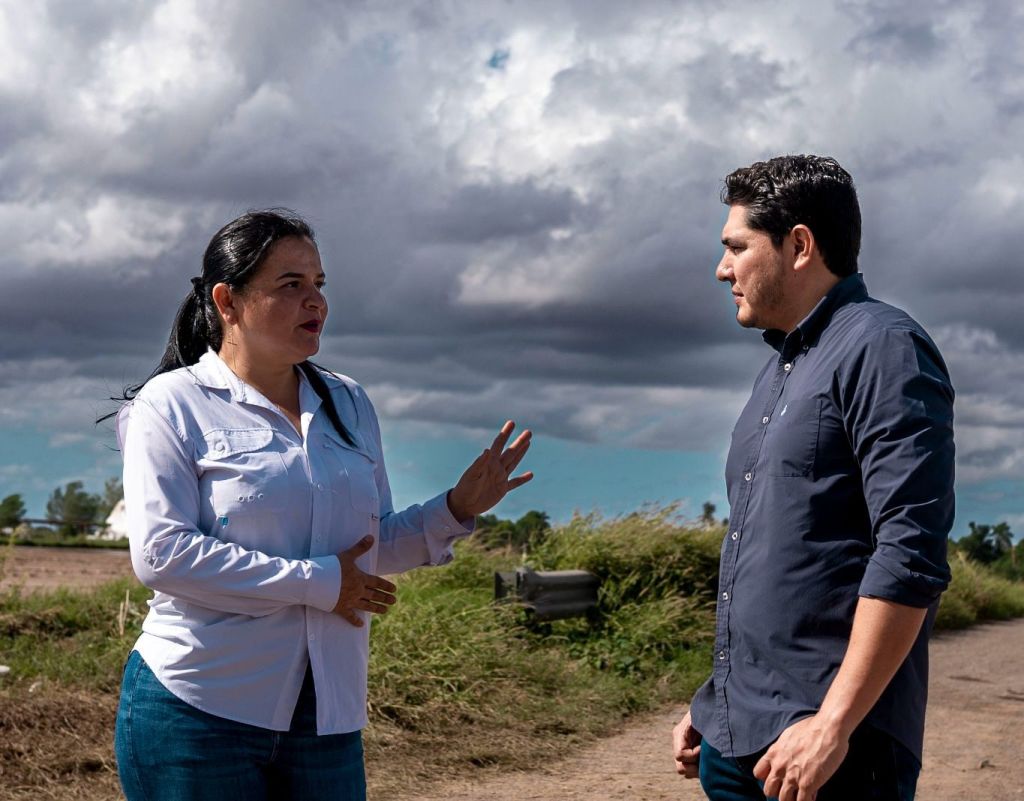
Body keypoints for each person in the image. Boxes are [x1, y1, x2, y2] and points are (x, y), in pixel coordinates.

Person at [109, 209, 533, 800]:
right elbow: (163, 555)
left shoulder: (349, 402)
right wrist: (322, 584)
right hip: (197, 707)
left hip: (326, 711)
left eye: (319, 284)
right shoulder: (171, 403)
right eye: (291, 285)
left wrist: (457, 507)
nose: (316, 302)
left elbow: (367, 549)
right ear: (228, 301)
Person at [672, 156, 954, 801]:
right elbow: (779, 556)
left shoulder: (884, 347)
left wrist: (834, 724)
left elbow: (910, 552)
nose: (722, 269)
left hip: (833, 753)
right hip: (739, 739)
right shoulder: (782, 367)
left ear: (799, 245)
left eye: (736, 247)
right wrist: (718, 700)